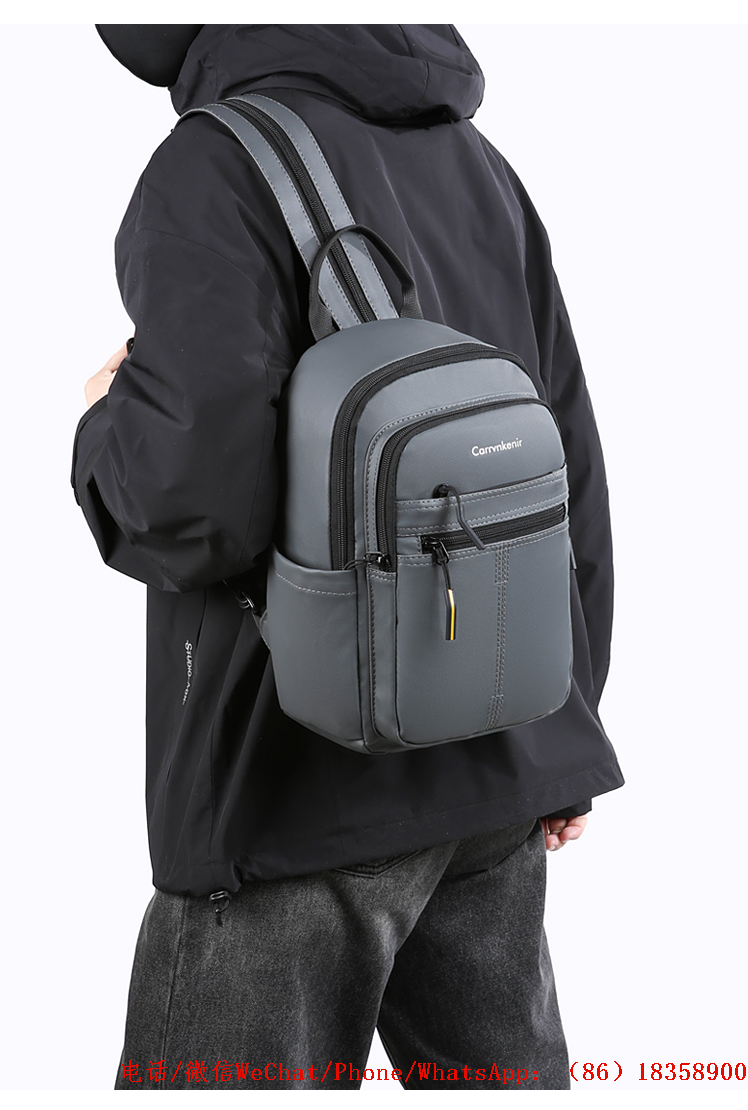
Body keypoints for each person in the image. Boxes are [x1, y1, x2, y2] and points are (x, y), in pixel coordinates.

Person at [72, 24, 624, 1091]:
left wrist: (104, 427)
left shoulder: (214, 163)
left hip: (291, 794)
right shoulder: (473, 157)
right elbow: (562, 457)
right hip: (493, 775)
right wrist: (563, 723)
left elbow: (194, 501)